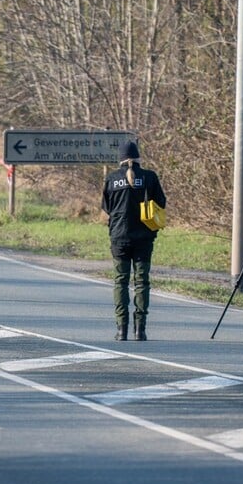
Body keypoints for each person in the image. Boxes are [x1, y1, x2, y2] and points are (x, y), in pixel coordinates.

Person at [102, 140, 166, 341]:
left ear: (120, 159)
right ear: (138, 157)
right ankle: (140, 330)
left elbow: (107, 208)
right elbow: (161, 203)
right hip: (144, 237)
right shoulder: (149, 177)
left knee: (120, 281)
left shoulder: (112, 179)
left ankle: (121, 330)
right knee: (142, 281)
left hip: (119, 237)